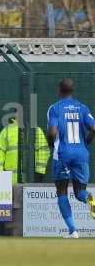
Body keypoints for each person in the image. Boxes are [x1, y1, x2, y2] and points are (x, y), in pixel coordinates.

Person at [46, 78, 95, 238]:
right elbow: (94, 128)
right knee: (80, 192)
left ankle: (73, 230)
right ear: (72, 91)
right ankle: (90, 199)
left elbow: (52, 132)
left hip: (63, 154)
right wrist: (86, 142)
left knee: (61, 191)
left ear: (59, 91)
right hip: (81, 153)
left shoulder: (55, 108)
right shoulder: (82, 108)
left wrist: (51, 145)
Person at [0, 110, 50, 184]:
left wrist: (39, 172)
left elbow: (43, 151)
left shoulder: (36, 130)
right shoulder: (6, 131)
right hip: (10, 180)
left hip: (31, 178)